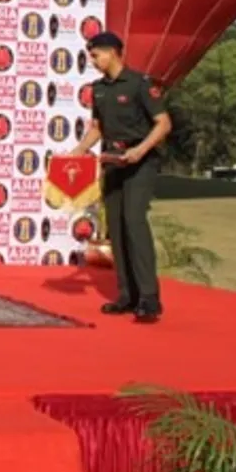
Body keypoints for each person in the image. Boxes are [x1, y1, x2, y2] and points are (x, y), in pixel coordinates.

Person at [70, 31, 172, 323]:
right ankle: (127, 295)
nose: (93, 60)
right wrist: (77, 151)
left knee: (134, 222)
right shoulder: (99, 89)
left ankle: (150, 299)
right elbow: (98, 128)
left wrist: (140, 150)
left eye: (96, 54)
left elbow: (163, 124)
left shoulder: (140, 84)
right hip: (113, 162)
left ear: (113, 52)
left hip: (140, 162)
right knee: (115, 226)